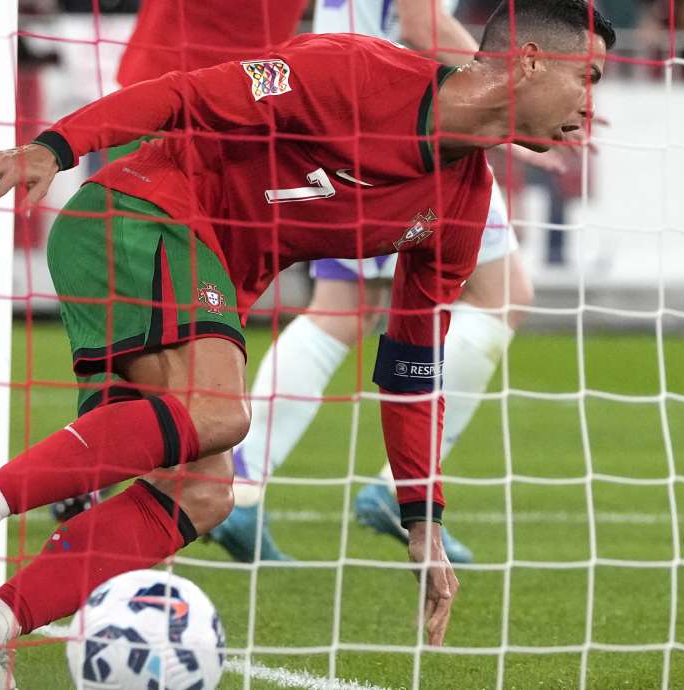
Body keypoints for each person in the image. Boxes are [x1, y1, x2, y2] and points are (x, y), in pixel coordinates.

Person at [0, 2, 612, 686]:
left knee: (203, 491)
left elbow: (412, 366)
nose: (592, 106)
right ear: (531, 60)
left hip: (190, 268)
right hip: (135, 214)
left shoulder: (463, 204)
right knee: (220, 413)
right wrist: (55, 148)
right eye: (590, 77)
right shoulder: (355, 71)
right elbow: (183, 95)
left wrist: (422, 516)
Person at [207, 0, 535, 565]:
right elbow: (421, 24)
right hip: (404, 126)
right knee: (499, 295)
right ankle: (392, 485)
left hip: (354, 112)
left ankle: (240, 486)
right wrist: (520, 99)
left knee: (344, 308)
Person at [47, 0, 309, 523]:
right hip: (177, 106)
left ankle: (96, 469)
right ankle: (95, 472)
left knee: (175, 322)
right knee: (158, 320)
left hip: (244, 121)